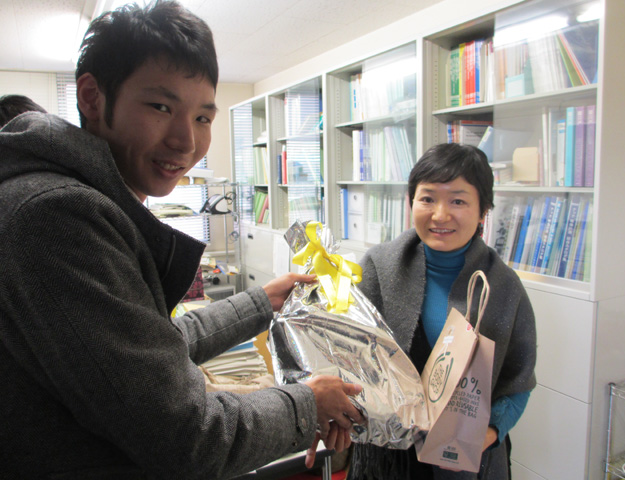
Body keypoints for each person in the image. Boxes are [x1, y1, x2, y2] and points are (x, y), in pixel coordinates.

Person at [0, 2, 363, 479]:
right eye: (161, 107)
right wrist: (306, 404)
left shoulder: (67, 199)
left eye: (203, 118)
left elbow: (149, 350)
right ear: (91, 97)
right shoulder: (59, 216)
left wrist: (263, 301)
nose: (186, 142)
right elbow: (187, 437)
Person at [347, 143, 537, 480]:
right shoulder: (378, 267)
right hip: (386, 456)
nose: (440, 215)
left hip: (466, 459)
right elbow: (349, 357)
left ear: (483, 211)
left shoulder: (503, 287)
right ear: (411, 202)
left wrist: (487, 435)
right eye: (428, 198)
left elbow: (518, 381)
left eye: (458, 201)